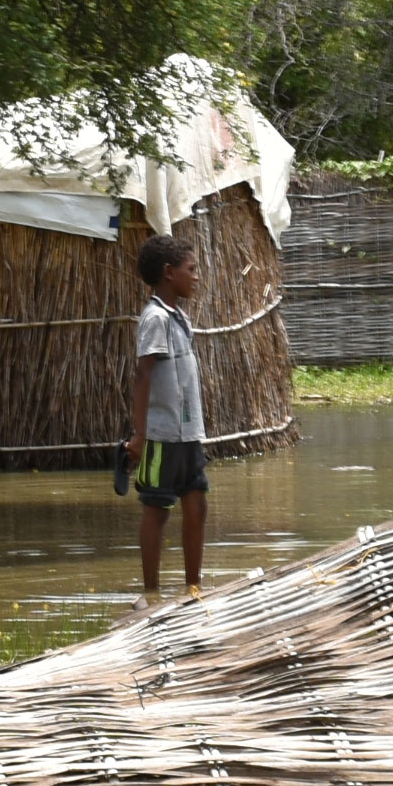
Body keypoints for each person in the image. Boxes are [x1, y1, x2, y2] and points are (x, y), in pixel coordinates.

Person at [123, 229, 210, 604]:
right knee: (157, 509)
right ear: (169, 271)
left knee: (197, 504)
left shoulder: (178, 317)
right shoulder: (155, 318)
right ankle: (151, 592)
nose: (197, 276)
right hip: (162, 435)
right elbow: (143, 375)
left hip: (188, 434)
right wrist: (140, 435)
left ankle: (193, 588)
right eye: (191, 269)